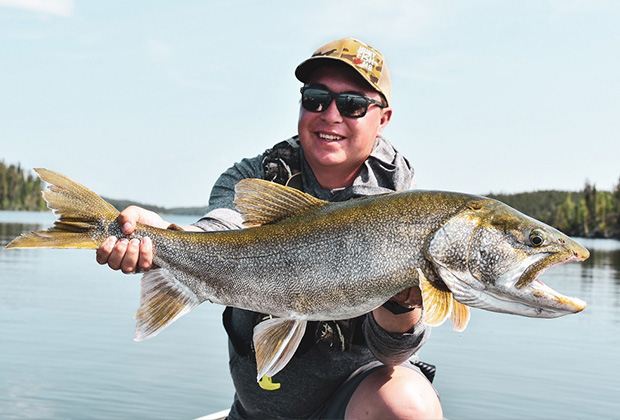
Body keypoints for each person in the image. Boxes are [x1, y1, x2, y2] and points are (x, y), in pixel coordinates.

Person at [96, 38, 443, 419]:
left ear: (383, 118)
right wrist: (164, 235)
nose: (330, 115)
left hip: (352, 406)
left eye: (352, 105)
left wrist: (401, 301)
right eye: (316, 98)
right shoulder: (254, 177)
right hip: (254, 411)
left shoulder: (406, 210)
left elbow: (394, 355)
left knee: (409, 404)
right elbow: (222, 229)